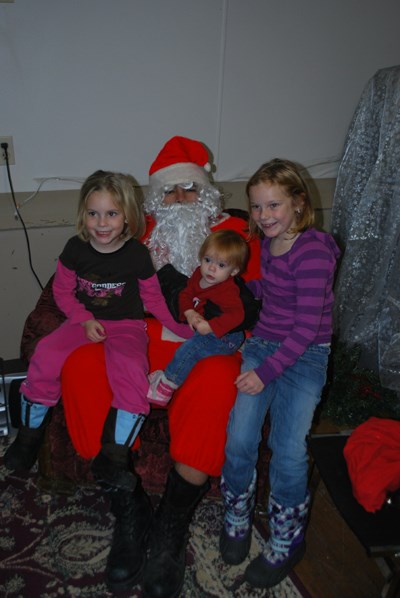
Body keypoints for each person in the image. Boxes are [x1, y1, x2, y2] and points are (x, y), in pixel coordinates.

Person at [34, 136, 261, 598]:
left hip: (210, 343)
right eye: (170, 192)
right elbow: (87, 279)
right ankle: (130, 510)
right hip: (140, 334)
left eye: (190, 190)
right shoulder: (134, 233)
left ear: (208, 193)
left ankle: (170, 530)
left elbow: (259, 304)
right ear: (156, 197)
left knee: (219, 383)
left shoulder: (236, 235)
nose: (180, 200)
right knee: (81, 367)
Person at [4, 170, 192, 592]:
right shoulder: (74, 250)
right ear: (83, 216)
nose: (102, 223)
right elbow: (64, 294)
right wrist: (83, 319)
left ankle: (114, 454)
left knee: (129, 375)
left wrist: (175, 328)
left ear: (127, 218)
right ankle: (29, 435)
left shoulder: (137, 256)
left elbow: (152, 299)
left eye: (111, 214)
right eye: (93, 213)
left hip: (126, 326)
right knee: (46, 356)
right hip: (82, 322)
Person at [219, 159, 340, 589]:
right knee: (239, 437)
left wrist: (265, 372)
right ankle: (236, 513)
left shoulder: (312, 250)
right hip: (266, 344)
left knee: (288, 449)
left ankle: (288, 538)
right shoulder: (269, 246)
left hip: (306, 355)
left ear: (298, 204)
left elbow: (306, 326)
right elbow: (271, 294)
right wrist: (235, 289)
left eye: (274, 205)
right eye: (256, 207)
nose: (264, 215)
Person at [147, 229, 249, 405]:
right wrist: (189, 312)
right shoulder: (198, 274)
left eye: (221, 265)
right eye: (207, 260)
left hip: (227, 336)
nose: (211, 268)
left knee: (190, 349)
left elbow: (237, 315)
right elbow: (186, 294)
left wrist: (210, 327)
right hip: (207, 325)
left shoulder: (227, 291)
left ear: (233, 271)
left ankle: (166, 386)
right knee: (192, 344)